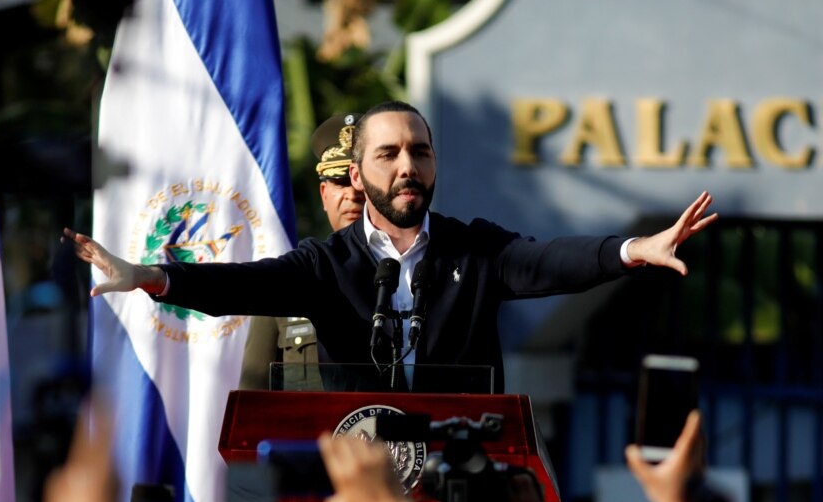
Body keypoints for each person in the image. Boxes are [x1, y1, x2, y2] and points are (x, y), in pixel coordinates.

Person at [64, 100, 717, 393]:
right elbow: (244, 284)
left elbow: (550, 261)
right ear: (356, 175)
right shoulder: (326, 265)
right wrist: (149, 275)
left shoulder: (474, 250)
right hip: (358, 473)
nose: (408, 166)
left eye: (421, 152)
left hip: (456, 466)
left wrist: (635, 248)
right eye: (390, 154)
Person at [239, 112, 365, 390]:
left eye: (362, 182)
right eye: (340, 182)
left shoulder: (411, 276)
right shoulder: (286, 280)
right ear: (324, 195)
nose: (353, 193)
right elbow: (254, 393)